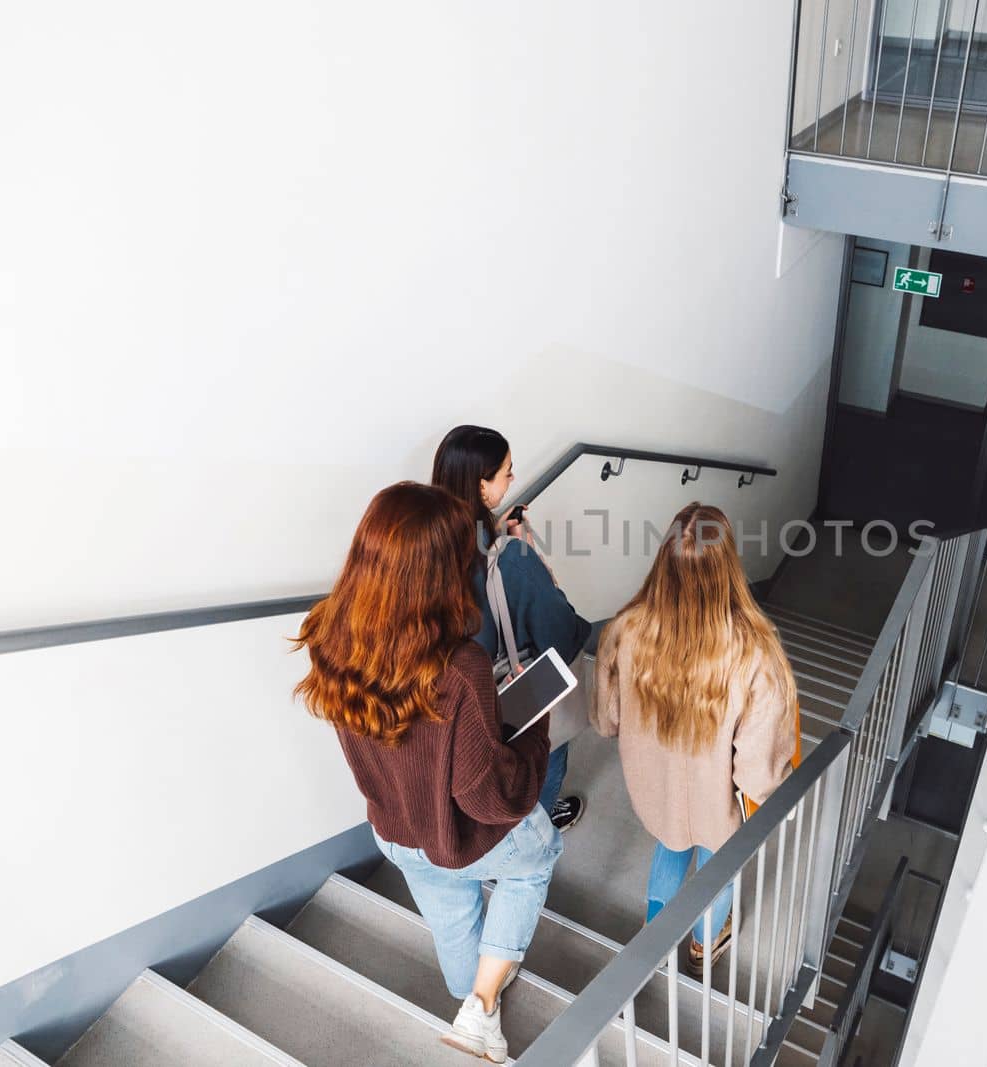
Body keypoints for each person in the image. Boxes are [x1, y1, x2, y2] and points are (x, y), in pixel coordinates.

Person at [294, 482, 559, 1063]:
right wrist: (534, 732)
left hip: (394, 829)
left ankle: (469, 994)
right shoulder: (459, 666)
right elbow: (489, 798)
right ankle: (483, 1008)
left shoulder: (331, 636)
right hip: (461, 833)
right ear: (438, 570)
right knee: (538, 856)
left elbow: (416, 737)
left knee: (450, 914)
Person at [592, 502, 799, 977]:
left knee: (670, 842)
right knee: (717, 865)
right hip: (718, 801)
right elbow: (756, 773)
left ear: (663, 559)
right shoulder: (755, 653)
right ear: (728, 566)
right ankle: (705, 945)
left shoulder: (625, 629)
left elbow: (606, 720)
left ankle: (652, 940)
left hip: (656, 789)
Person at [432, 424, 592, 832]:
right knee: (542, 753)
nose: (513, 479)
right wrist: (523, 552)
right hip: (510, 692)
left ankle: (494, 835)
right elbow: (560, 633)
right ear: (481, 485)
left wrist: (499, 537)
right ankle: (533, 831)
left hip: (451, 698)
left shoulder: (428, 544)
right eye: (506, 472)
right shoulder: (513, 559)